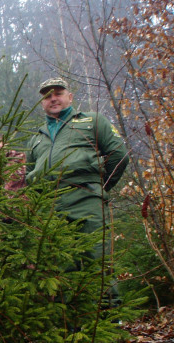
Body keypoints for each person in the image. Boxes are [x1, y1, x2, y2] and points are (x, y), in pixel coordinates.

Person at [26, 77, 129, 261]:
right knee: (59, 272)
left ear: (70, 97)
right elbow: (28, 175)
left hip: (86, 201)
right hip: (49, 210)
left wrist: (99, 187)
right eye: (48, 96)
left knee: (97, 263)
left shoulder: (92, 121)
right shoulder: (36, 139)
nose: (53, 99)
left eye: (58, 93)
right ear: (43, 103)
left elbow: (119, 155)